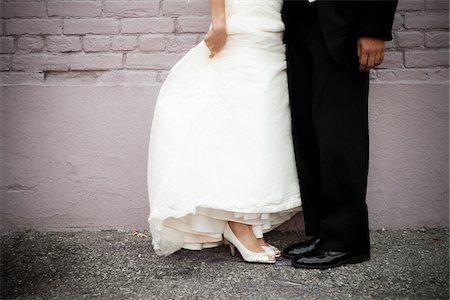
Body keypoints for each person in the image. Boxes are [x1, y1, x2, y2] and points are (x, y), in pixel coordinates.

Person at [147, 0, 302, 264]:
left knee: (260, 125)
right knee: (238, 122)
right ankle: (237, 224)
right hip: (241, 21)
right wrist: (219, 20)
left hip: (271, 25)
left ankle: (249, 224)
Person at [281, 0, 398, 269]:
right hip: (301, 20)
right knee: (309, 135)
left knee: (339, 137)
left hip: (345, 23)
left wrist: (374, 29)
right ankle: (324, 233)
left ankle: (346, 240)